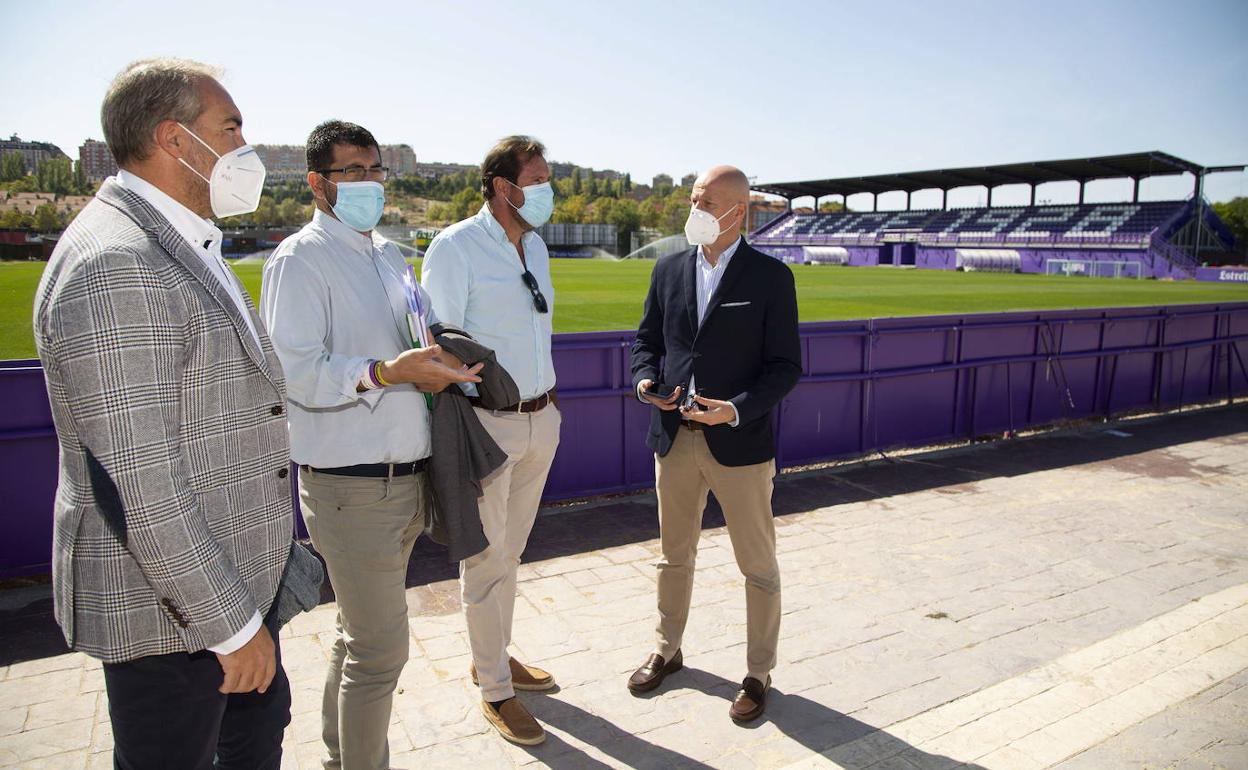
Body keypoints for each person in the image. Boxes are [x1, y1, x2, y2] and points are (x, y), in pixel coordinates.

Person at [32, 58, 295, 769]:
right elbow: (138, 480)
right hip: (177, 618)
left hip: (229, 588)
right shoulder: (119, 263)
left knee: (253, 742)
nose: (248, 147)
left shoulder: (179, 238)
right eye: (232, 127)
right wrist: (232, 625)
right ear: (176, 140)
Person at [260, 120, 482, 770]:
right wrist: (388, 372)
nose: (367, 183)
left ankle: (338, 759)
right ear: (316, 183)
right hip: (350, 484)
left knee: (357, 639)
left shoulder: (387, 254)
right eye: (351, 171)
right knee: (381, 649)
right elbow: (295, 373)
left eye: (374, 169)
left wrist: (435, 361)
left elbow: (401, 344)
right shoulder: (300, 259)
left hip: (407, 476)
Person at [628, 165, 802, 722]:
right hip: (675, 438)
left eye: (705, 200)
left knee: (757, 564)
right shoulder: (670, 268)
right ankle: (667, 649)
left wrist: (735, 409)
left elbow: (786, 367)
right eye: (694, 197)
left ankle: (758, 672)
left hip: (740, 443)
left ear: (737, 211)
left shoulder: (771, 278)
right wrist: (645, 381)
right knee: (672, 557)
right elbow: (647, 341)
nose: (694, 207)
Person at [420, 136, 561, 746]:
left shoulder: (535, 245)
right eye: (539, 179)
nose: (548, 190)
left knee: (512, 552)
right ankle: (495, 691)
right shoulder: (456, 246)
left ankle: (493, 656)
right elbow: (439, 335)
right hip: (488, 423)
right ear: (504, 187)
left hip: (542, 419)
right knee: (484, 558)